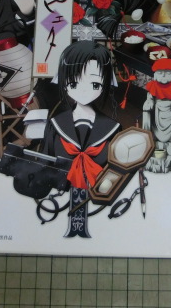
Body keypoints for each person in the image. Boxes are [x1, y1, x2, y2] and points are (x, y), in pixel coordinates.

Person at [42, 41, 121, 237]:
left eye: (95, 84)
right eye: (74, 83)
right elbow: (46, 161)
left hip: (101, 204)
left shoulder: (112, 128)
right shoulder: (55, 124)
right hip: (58, 199)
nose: (85, 91)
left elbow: (117, 171)